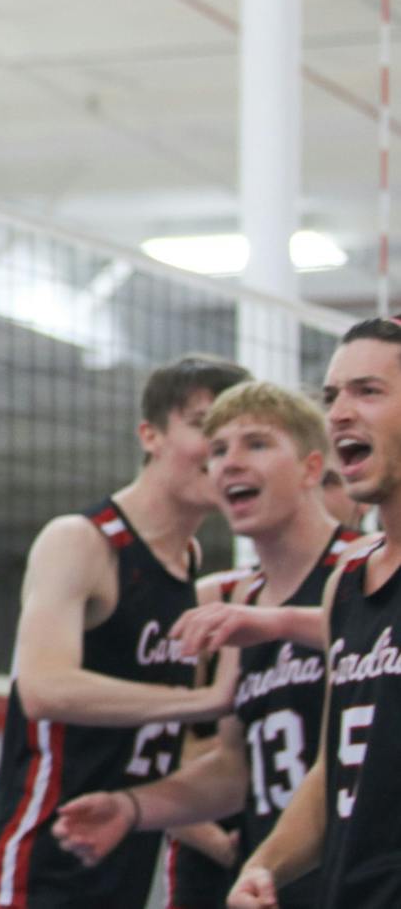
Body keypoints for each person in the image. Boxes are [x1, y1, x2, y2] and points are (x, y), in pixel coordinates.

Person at [51, 380, 367, 909]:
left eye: (257, 444)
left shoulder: (364, 569)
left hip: (360, 878)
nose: (230, 463)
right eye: (218, 449)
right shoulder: (244, 601)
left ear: (312, 469)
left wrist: (280, 624)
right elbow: (235, 768)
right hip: (272, 883)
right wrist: (133, 807)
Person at [0, 354, 251, 908]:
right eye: (204, 426)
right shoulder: (84, 541)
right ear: (151, 435)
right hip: (40, 860)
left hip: (121, 860)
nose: (223, 451)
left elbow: (146, 748)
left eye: (238, 437)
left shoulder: (188, 566)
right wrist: (201, 700)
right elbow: (44, 689)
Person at [228, 318, 401, 908]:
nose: (340, 414)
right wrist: (263, 865)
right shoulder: (348, 581)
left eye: (368, 391)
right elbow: (332, 768)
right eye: (333, 397)